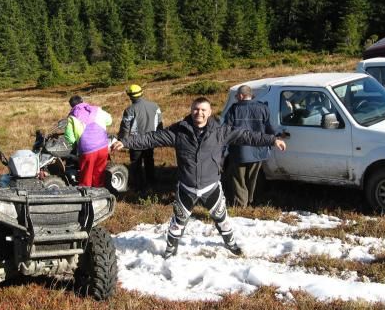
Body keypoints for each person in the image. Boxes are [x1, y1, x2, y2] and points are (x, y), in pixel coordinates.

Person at [111, 96, 286, 259]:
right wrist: (126, 142)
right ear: (191, 110)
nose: (199, 113)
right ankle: (171, 250)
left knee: (222, 219)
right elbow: (152, 138)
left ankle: (230, 244)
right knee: (178, 223)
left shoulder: (220, 131)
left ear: (209, 113)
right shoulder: (179, 131)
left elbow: (246, 135)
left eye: (203, 110)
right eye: (196, 109)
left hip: (211, 187)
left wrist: (272, 140)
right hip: (187, 187)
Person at [224, 84, 274, 207]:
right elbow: (269, 128)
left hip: (238, 152)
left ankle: (241, 204)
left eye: (236, 96)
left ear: (241, 95)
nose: (236, 98)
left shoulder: (233, 109)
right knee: (254, 178)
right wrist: (273, 140)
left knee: (238, 179)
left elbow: (227, 131)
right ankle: (252, 201)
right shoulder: (263, 108)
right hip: (258, 151)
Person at [118, 84, 163, 190]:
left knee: (136, 163)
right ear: (142, 93)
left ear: (130, 96)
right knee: (149, 161)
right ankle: (151, 182)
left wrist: (122, 141)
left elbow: (125, 128)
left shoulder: (129, 110)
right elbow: (160, 123)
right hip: (151, 140)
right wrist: (160, 138)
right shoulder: (155, 106)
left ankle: (138, 186)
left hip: (135, 141)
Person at [65, 95, 112, 188]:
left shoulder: (72, 116)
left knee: (86, 175)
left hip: (87, 150)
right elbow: (109, 121)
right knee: (99, 174)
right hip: (103, 147)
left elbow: (69, 137)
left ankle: (86, 196)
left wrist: (76, 145)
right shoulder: (97, 109)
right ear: (82, 101)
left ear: (71, 106)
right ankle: (99, 196)